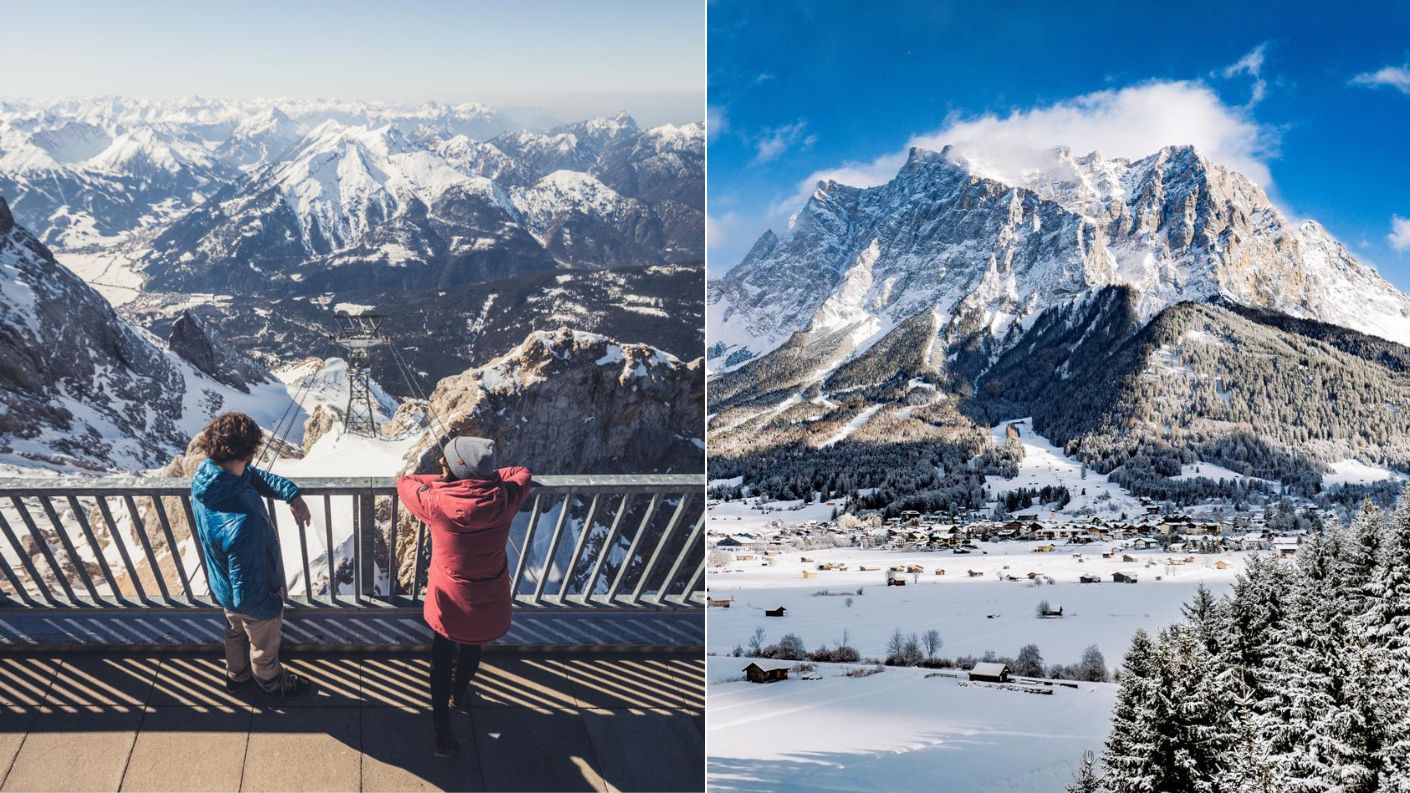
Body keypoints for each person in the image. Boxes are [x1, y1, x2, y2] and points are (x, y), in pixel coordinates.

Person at [397, 435, 532, 757]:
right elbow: (521, 472)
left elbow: (405, 481)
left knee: (441, 656)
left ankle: (442, 731)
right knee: (473, 646)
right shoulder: (504, 497)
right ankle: (459, 693)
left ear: (457, 470)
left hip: (450, 599)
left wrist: (444, 483)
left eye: (446, 461)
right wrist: (483, 479)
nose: (441, 463)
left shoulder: (435, 503)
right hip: (488, 596)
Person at [190, 411, 313, 698]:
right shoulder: (244, 523)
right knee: (263, 643)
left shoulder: (207, 477)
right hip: (253, 597)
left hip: (222, 585)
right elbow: (248, 596)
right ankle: (269, 679)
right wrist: (274, 604)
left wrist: (289, 493)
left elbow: (250, 477)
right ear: (247, 453)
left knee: (234, 631)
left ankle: (237, 675)